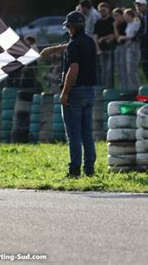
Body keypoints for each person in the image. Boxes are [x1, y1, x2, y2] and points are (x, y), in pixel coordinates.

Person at [43, 11, 97, 178]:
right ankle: (89, 170)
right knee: (87, 133)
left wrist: (65, 93)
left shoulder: (74, 45)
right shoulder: (89, 42)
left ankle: (74, 171)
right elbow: (73, 46)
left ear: (72, 28)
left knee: (73, 134)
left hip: (75, 92)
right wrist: (54, 49)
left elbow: (73, 69)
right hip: (89, 91)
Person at [118, 9, 141, 90]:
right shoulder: (129, 24)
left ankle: (137, 89)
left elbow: (133, 36)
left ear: (130, 15)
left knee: (132, 71)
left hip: (134, 48)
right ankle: (132, 88)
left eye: (125, 15)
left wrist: (122, 37)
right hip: (128, 48)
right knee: (129, 71)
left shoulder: (135, 23)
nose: (124, 17)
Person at [93, 2, 115, 87]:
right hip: (101, 50)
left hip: (110, 48)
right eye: (100, 11)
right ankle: (104, 88)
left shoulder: (112, 21)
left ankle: (109, 87)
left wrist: (104, 38)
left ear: (108, 10)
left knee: (109, 70)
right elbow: (95, 37)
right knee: (103, 70)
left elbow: (114, 34)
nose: (102, 12)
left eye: (103, 10)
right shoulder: (98, 23)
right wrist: (98, 49)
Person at [112, 7, 128, 86]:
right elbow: (115, 37)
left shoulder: (125, 24)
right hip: (117, 47)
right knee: (118, 69)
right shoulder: (117, 25)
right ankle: (122, 86)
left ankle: (126, 87)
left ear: (122, 15)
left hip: (124, 46)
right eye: (114, 16)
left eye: (117, 15)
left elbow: (118, 37)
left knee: (123, 68)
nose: (115, 18)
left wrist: (114, 27)